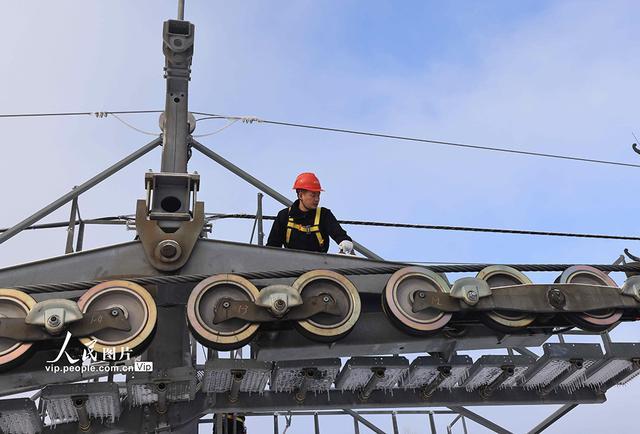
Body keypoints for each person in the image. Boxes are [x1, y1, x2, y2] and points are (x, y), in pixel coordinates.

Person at [266, 172, 354, 254]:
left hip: (319, 265)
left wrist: (345, 242)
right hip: (291, 265)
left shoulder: (324, 215)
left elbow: (338, 234)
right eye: (313, 195)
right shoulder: (284, 216)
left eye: (318, 195)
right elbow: (272, 247)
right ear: (300, 195)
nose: (317, 199)